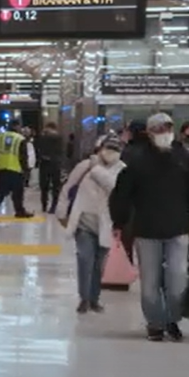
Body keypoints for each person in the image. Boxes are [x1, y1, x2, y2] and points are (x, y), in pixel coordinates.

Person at [110, 113, 189, 342]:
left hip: (179, 228)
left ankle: (172, 319)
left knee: (177, 281)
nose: (164, 132)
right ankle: (155, 323)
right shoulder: (136, 160)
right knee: (150, 282)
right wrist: (119, 222)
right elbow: (122, 195)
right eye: (159, 128)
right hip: (147, 230)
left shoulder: (183, 158)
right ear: (150, 132)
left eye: (167, 128)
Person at [57, 134, 125, 313]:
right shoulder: (85, 166)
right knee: (85, 259)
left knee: (98, 264)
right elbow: (68, 188)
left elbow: (114, 187)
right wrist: (61, 213)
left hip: (106, 224)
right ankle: (84, 298)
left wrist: (97, 171)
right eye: (108, 148)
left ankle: (95, 298)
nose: (111, 153)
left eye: (115, 149)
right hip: (84, 222)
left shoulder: (122, 170)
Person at [0, 121, 33, 219]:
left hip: (3, 169)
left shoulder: (0, 137)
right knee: (18, 193)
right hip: (16, 170)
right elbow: (23, 157)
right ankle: (19, 212)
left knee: (0, 192)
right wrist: (25, 170)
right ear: (17, 127)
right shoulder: (20, 139)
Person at [35, 122, 64, 214]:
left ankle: (44, 206)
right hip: (56, 164)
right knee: (55, 186)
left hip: (45, 164)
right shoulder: (59, 138)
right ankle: (54, 206)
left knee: (44, 186)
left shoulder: (44, 138)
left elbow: (39, 149)